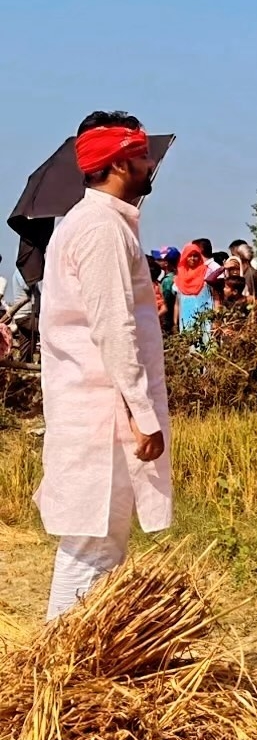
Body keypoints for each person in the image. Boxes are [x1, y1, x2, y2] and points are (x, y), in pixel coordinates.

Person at [35, 110, 171, 620]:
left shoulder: (99, 223)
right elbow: (115, 329)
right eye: (140, 154)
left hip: (97, 406)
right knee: (93, 544)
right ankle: (59, 666)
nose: (149, 162)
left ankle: (69, 664)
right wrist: (142, 413)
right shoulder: (100, 229)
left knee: (100, 542)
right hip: (101, 411)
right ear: (118, 162)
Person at [174, 243, 213, 332]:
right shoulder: (179, 278)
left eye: (195, 255)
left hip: (204, 318)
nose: (192, 258)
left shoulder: (207, 273)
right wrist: (175, 323)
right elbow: (177, 303)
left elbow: (214, 297)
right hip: (185, 318)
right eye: (189, 256)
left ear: (199, 257)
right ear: (184, 257)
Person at [151, 247, 180, 334]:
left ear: (166, 263)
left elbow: (166, 301)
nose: (156, 261)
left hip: (167, 321)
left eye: (159, 259)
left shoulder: (167, 281)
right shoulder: (175, 277)